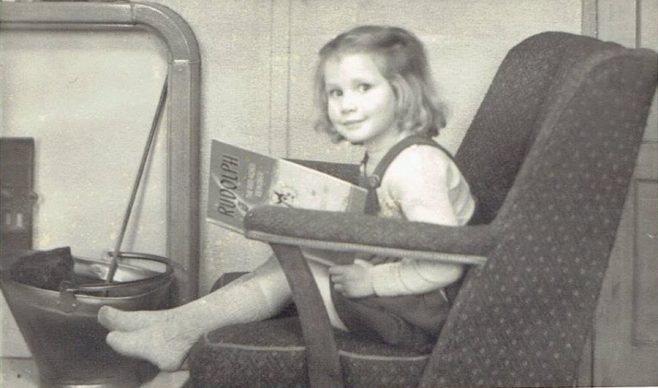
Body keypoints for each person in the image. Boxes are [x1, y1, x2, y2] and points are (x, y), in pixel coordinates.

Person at [97, 25, 476, 371]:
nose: (346, 104)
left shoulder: (416, 167)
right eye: (336, 92)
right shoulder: (388, 153)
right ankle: (173, 324)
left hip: (416, 317)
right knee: (293, 255)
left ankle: (175, 333)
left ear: (403, 89)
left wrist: (373, 280)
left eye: (364, 87)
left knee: (294, 264)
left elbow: (446, 265)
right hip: (402, 295)